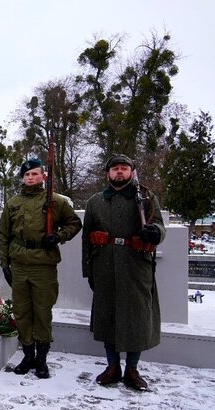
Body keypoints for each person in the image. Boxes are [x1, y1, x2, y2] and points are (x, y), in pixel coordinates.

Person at [82, 154, 165, 391]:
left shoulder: (146, 198)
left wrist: (154, 233)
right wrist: (88, 271)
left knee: (136, 318)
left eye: (124, 168)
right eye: (115, 168)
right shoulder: (95, 202)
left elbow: (159, 225)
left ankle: (132, 369)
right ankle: (112, 367)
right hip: (104, 266)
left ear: (132, 172)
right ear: (107, 174)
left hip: (136, 266)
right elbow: (86, 238)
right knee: (107, 317)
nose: (120, 172)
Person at [0, 158, 82, 378]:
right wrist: (4, 264)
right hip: (19, 264)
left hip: (43, 265)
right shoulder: (13, 203)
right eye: (27, 175)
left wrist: (58, 236)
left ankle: (41, 359)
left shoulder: (56, 201)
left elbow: (75, 224)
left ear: (43, 176)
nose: (30, 178)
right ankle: (28, 356)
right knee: (22, 312)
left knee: (43, 312)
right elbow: (4, 235)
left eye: (34, 174)